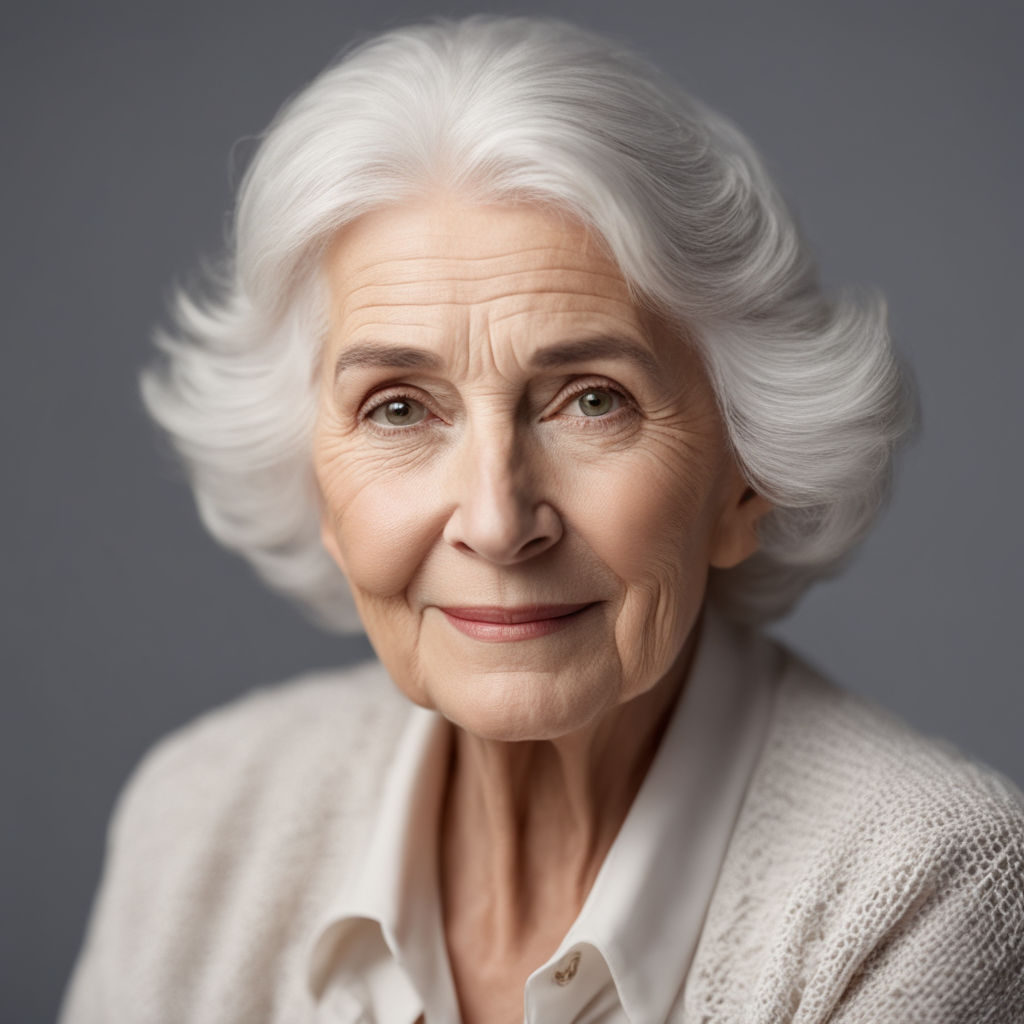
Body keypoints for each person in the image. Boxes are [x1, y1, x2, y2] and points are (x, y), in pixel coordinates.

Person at [59, 15, 1024, 1024]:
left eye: (591, 399)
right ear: (316, 491)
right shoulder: (200, 820)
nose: (495, 519)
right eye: (398, 407)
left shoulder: (929, 886)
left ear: (742, 480)